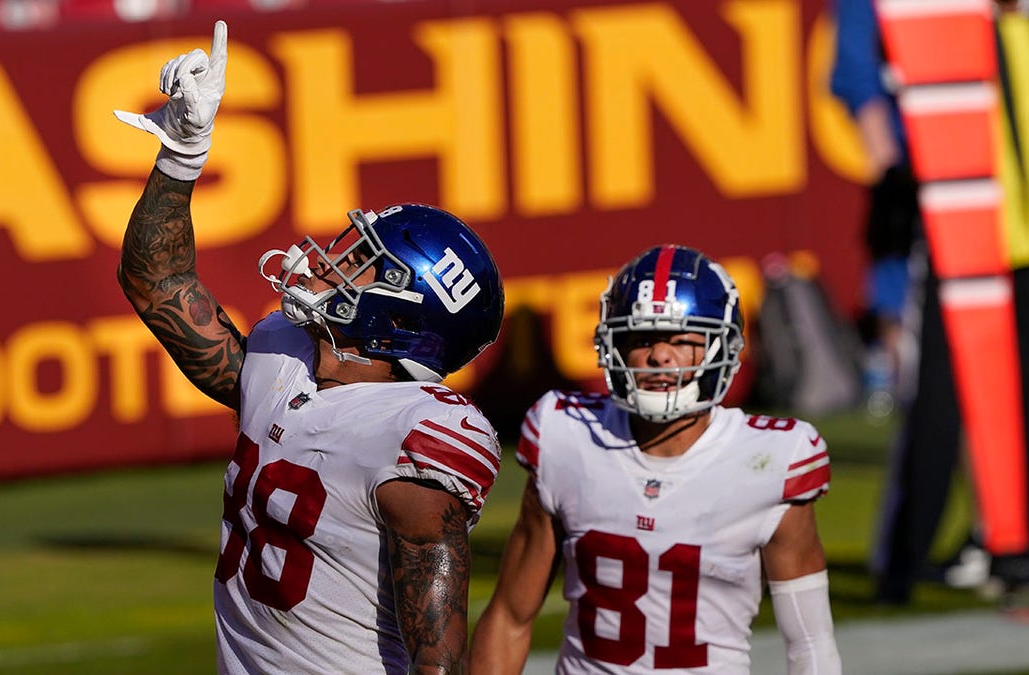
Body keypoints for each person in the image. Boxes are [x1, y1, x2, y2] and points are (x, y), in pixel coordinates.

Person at [114, 21, 506, 673]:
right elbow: (156, 279)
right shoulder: (281, 356)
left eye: (364, 263)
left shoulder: (420, 432)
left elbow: (439, 662)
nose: (331, 260)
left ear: (406, 315)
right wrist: (182, 150)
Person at [470, 246, 841, 674]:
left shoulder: (773, 462)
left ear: (724, 348)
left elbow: (810, 643)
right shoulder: (566, 437)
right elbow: (510, 617)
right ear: (613, 346)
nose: (660, 356)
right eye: (642, 339)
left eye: (682, 340)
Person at [830, 0, 1029, 605]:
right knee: (939, 390)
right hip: (953, 212)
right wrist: (892, 164)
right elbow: (856, 73)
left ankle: (1015, 545)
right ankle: (905, 559)